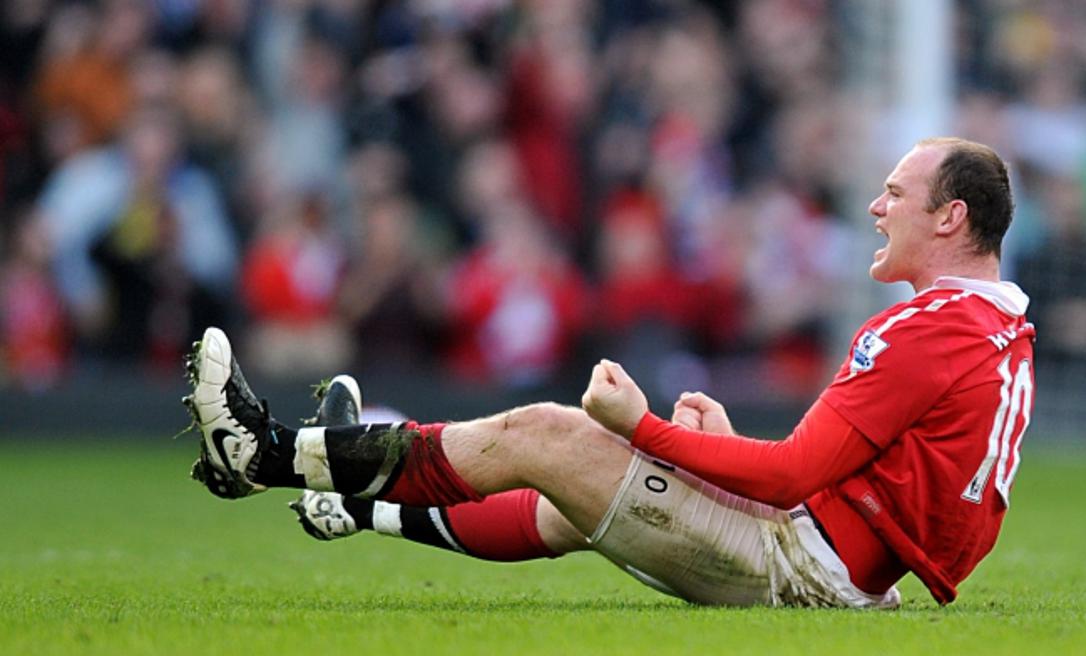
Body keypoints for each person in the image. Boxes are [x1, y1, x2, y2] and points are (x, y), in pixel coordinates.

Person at [185, 137, 1035, 608]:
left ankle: (268, 452)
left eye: (895, 192)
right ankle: (352, 501)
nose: (877, 207)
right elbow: (869, 490)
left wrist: (643, 431)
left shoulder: (931, 329)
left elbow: (794, 477)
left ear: (950, 217)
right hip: (840, 564)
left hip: (809, 569)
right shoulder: (998, 327)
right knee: (572, 494)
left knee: (555, 435)